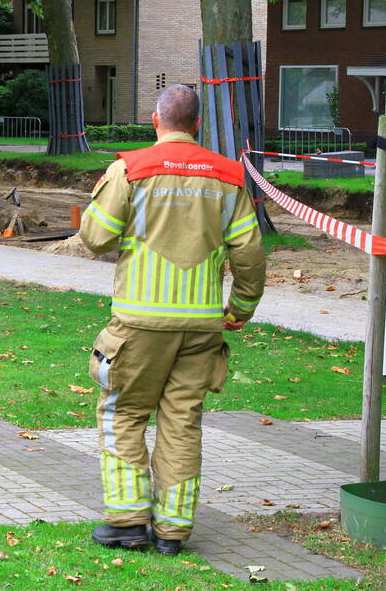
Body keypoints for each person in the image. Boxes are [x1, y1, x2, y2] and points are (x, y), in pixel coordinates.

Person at [79, 84, 266, 556]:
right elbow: (249, 254)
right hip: (202, 328)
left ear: (156, 121)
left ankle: (127, 522)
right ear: (198, 125)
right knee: (182, 423)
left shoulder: (130, 169)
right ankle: (172, 532)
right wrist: (240, 310)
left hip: (139, 326)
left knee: (122, 414)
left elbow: (96, 237)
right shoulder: (229, 177)